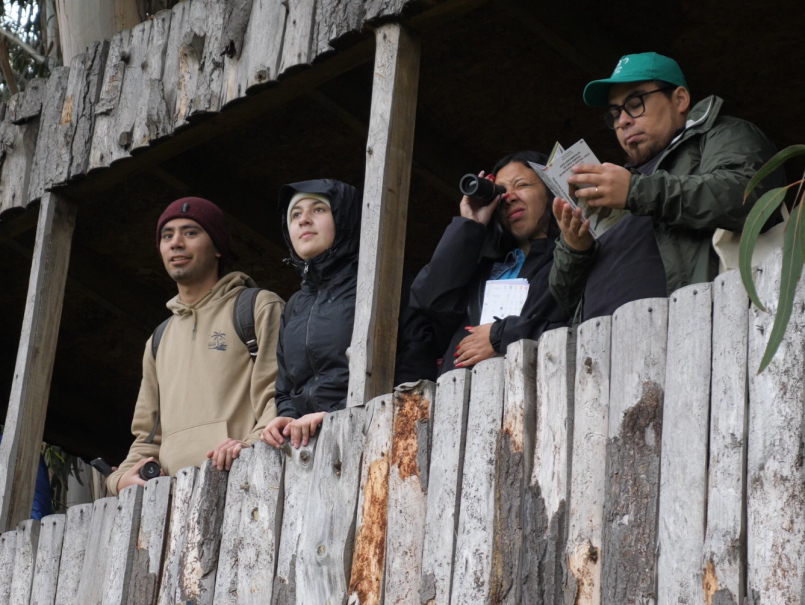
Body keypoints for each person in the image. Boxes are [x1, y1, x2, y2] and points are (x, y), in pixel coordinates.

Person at [551, 52, 784, 321]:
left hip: (690, 336)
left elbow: (749, 195)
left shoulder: (720, 135)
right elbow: (564, 301)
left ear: (680, 99)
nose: (623, 121)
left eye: (635, 103)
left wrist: (635, 191)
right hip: (596, 351)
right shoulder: (616, 182)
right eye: (615, 113)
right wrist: (575, 248)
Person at [106, 197, 284, 495]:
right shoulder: (158, 339)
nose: (176, 243)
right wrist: (119, 479)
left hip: (247, 485)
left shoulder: (256, 308)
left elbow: (279, 396)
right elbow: (148, 436)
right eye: (167, 235)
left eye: (190, 233)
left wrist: (250, 447)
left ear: (217, 247)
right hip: (173, 504)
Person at [260, 180, 438, 451]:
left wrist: (338, 413)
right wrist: (287, 417)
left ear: (345, 219)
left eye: (318, 210)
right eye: (295, 214)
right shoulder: (294, 306)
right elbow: (285, 387)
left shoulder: (384, 282)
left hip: (377, 439)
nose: (304, 220)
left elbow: (414, 364)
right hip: (307, 450)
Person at [409, 151, 570, 375]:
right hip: (461, 400)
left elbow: (578, 329)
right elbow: (429, 300)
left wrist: (501, 335)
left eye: (521, 184)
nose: (509, 197)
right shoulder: (485, 271)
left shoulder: (572, 260)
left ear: (550, 191)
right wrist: (470, 224)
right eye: (501, 191)